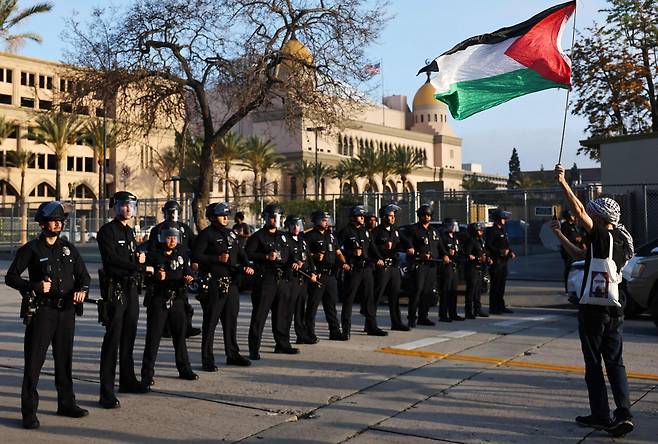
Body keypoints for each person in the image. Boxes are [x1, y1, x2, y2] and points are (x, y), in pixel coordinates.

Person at [551, 164, 635, 438]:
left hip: (593, 311)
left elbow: (579, 211)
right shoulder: (619, 242)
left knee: (594, 366)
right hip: (615, 310)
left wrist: (563, 182)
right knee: (616, 363)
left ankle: (601, 414)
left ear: (599, 219)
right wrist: (560, 236)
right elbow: (579, 255)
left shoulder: (602, 236)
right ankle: (624, 414)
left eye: (593, 216)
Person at [5, 201, 90, 429]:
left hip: (66, 312)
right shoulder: (31, 249)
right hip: (43, 312)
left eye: (60, 220)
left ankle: (66, 403)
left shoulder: (68, 248)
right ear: (42, 224)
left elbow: (84, 277)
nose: (58, 223)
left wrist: (82, 291)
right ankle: (29, 412)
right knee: (34, 362)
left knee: (64, 360)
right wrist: (33, 286)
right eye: (53, 220)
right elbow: (11, 277)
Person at [97, 191, 153, 409]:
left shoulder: (130, 232)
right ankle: (106, 391)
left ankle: (127, 380)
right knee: (112, 340)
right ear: (114, 206)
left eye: (131, 205)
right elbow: (111, 261)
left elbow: (130, 257)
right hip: (115, 290)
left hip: (131, 289)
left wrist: (139, 258)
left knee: (129, 337)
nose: (128, 209)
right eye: (123, 205)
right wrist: (138, 265)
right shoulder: (107, 231)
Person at [193, 202, 254, 371]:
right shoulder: (206, 235)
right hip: (215, 283)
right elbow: (197, 256)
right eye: (222, 215)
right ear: (212, 217)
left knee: (231, 322)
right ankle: (207, 359)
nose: (226, 218)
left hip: (232, 284)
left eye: (227, 215)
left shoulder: (232, 234)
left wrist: (248, 264)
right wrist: (216, 259)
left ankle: (232, 354)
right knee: (210, 322)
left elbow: (241, 253)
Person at [141, 224, 198, 386]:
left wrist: (189, 277)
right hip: (159, 299)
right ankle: (147, 373)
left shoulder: (180, 254)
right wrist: (156, 277)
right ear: (161, 237)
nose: (172, 240)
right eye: (168, 237)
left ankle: (184, 368)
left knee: (180, 336)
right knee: (153, 337)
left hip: (178, 299)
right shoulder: (154, 256)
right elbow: (145, 276)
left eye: (174, 237)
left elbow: (187, 270)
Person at [246, 204, 298, 359]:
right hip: (265, 280)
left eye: (277, 217)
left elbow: (289, 254)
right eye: (272, 217)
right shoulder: (258, 236)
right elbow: (247, 254)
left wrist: (295, 261)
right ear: (266, 218)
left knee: (281, 314)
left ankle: (282, 344)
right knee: (259, 315)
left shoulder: (284, 236)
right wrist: (265, 257)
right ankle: (254, 349)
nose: (275, 220)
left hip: (282, 279)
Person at [148, 200, 200, 338]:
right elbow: (152, 251)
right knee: (163, 302)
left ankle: (186, 328)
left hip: (181, 268)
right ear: (164, 213)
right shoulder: (157, 230)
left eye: (174, 212)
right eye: (169, 212)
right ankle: (165, 329)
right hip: (164, 270)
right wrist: (159, 266)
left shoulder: (184, 229)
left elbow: (194, 246)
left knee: (184, 304)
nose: (172, 215)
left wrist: (194, 261)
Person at [338, 205, 387, 338]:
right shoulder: (346, 231)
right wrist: (350, 253)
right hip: (354, 269)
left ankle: (371, 326)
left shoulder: (365, 231)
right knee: (349, 299)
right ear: (354, 217)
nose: (363, 218)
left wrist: (379, 259)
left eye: (363, 216)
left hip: (367, 269)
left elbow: (372, 247)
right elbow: (338, 250)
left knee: (369, 298)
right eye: (360, 216)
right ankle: (345, 329)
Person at [401, 204, 448, 327]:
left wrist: (445, 255)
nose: (426, 217)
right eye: (423, 215)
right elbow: (408, 246)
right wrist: (418, 254)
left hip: (432, 265)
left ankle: (423, 316)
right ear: (419, 216)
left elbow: (440, 247)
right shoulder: (413, 229)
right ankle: (412, 318)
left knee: (428, 292)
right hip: (418, 265)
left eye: (428, 215)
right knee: (417, 291)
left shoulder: (434, 231)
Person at [304, 210, 346, 342]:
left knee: (331, 305)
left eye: (327, 220)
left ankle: (335, 331)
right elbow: (302, 254)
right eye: (323, 220)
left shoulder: (331, 236)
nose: (326, 222)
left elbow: (338, 252)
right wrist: (314, 256)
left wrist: (344, 262)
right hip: (318, 275)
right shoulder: (309, 236)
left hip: (331, 275)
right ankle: (309, 333)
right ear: (316, 221)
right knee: (313, 305)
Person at [370, 204, 407, 331]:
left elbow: (404, 242)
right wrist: (379, 256)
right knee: (377, 295)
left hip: (394, 267)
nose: (393, 218)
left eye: (393, 216)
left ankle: (396, 322)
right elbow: (371, 248)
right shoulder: (376, 232)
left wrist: (411, 247)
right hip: (383, 266)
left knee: (395, 295)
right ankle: (370, 324)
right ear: (384, 217)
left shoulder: (395, 230)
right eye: (390, 216)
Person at [282, 215, 318, 344]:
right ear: (288, 226)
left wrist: (313, 272)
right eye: (293, 225)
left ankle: (301, 335)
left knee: (300, 311)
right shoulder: (285, 239)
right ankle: (283, 339)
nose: (296, 228)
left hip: (302, 280)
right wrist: (293, 262)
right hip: (290, 280)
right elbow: (284, 258)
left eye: (298, 225)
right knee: (288, 311)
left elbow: (309, 258)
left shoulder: (302, 240)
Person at [485, 209, 516, 314]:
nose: (504, 220)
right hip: (496, 261)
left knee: (501, 285)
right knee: (495, 285)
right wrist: (499, 251)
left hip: (503, 262)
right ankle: (493, 308)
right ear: (497, 219)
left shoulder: (502, 230)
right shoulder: (491, 231)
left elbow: (506, 244)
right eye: (503, 218)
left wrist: (510, 252)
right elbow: (488, 245)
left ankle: (501, 306)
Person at [463, 222, 490, 318]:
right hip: (472, 269)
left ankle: (477, 309)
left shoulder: (480, 241)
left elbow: (484, 252)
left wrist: (487, 258)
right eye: (479, 230)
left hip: (480, 268)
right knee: (471, 290)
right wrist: (477, 259)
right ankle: (468, 311)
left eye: (481, 230)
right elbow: (467, 254)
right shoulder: (471, 241)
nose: (481, 232)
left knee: (478, 290)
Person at [439, 219, 463, 322]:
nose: (453, 227)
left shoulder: (455, 238)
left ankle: (453, 313)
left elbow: (459, 251)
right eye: (451, 225)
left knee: (453, 291)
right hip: (446, 267)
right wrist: (447, 254)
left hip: (455, 266)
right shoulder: (443, 238)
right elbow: (440, 250)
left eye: (454, 225)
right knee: (445, 291)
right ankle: (443, 314)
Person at [560, 209, 586, 293]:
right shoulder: (564, 226)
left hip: (576, 249)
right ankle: (568, 288)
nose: (573, 217)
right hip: (568, 250)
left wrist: (582, 242)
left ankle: (575, 286)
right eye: (572, 215)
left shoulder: (574, 226)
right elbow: (564, 238)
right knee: (568, 268)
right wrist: (575, 239)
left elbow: (579, 235)